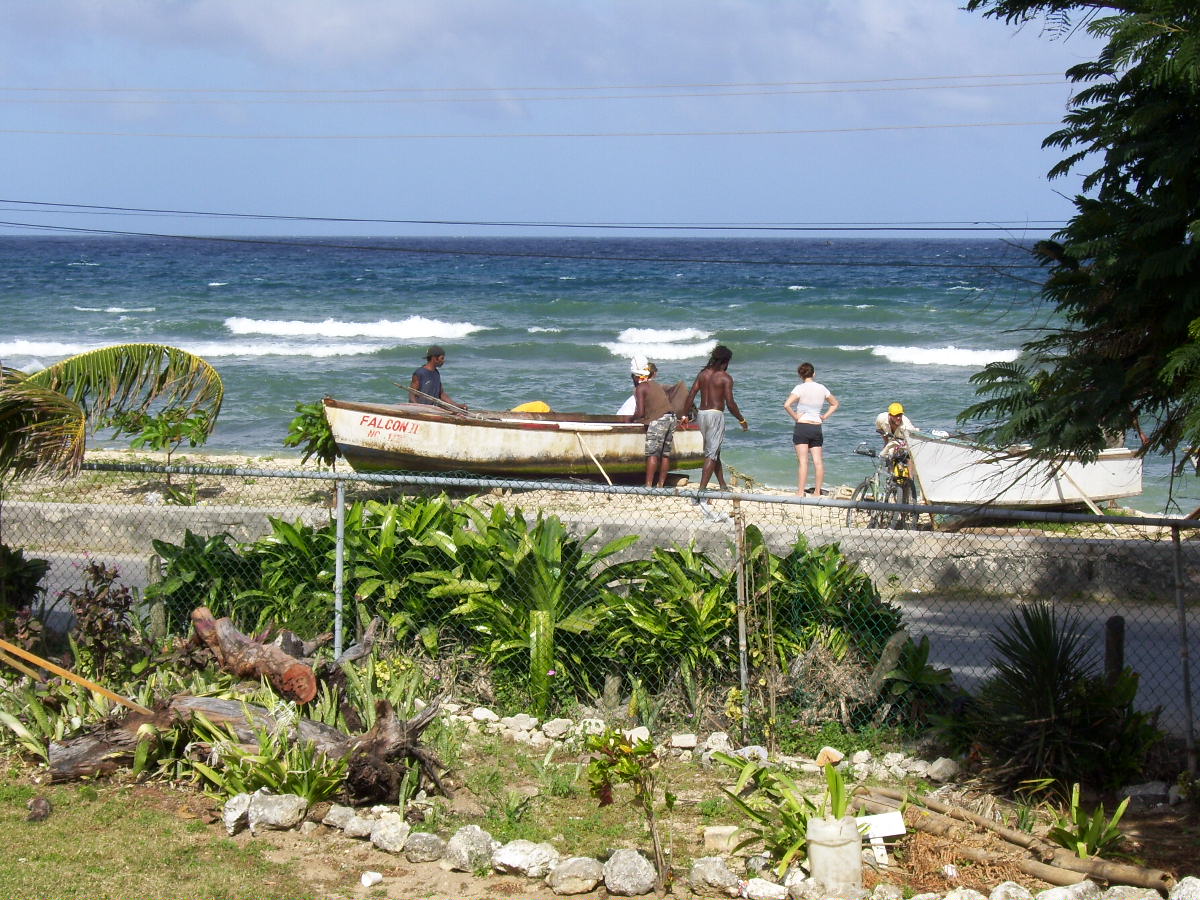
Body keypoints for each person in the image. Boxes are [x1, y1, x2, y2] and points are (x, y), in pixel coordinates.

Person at [682, 344, 747, 492]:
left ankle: (722, 485)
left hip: (701, 415)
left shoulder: (703, 374)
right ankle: (701, 490)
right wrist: (741, 419)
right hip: (715, 415)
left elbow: (691, 395)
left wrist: (684, 415)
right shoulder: (725, 378)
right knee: (711, 454)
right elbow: (730, 403)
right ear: (726, 361)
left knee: (714, 451)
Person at [783, 362, 838, 496]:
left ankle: (800, 491)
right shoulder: (822, 388)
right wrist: (824, 416)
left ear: (800, 375)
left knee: (803, 462)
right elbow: (835, 404)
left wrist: (795, 417)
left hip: (802, 426)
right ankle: (817, 492)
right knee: (818, 461)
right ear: (814, 373)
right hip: (816, 427)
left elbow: (787, 405)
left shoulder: (799, 388)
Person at [625, 356, 677, 488]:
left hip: (659, 420)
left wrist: (631, 419)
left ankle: (648, 486)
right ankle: (660, 485)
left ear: (636, 376)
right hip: (671, 418)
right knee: (665, 454)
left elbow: (640, 413)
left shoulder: (641, 388)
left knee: (652, 454)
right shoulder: (655, 384)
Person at [409, 345, 465, 409]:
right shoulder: (420, 373)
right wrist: (418, 408)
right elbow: (411, 395)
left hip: (433, 409)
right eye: (442, 358)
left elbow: (441, 394)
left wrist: (456, 405)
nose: (444, 361)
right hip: (422, 410)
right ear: (434, 358)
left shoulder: (436, 373)